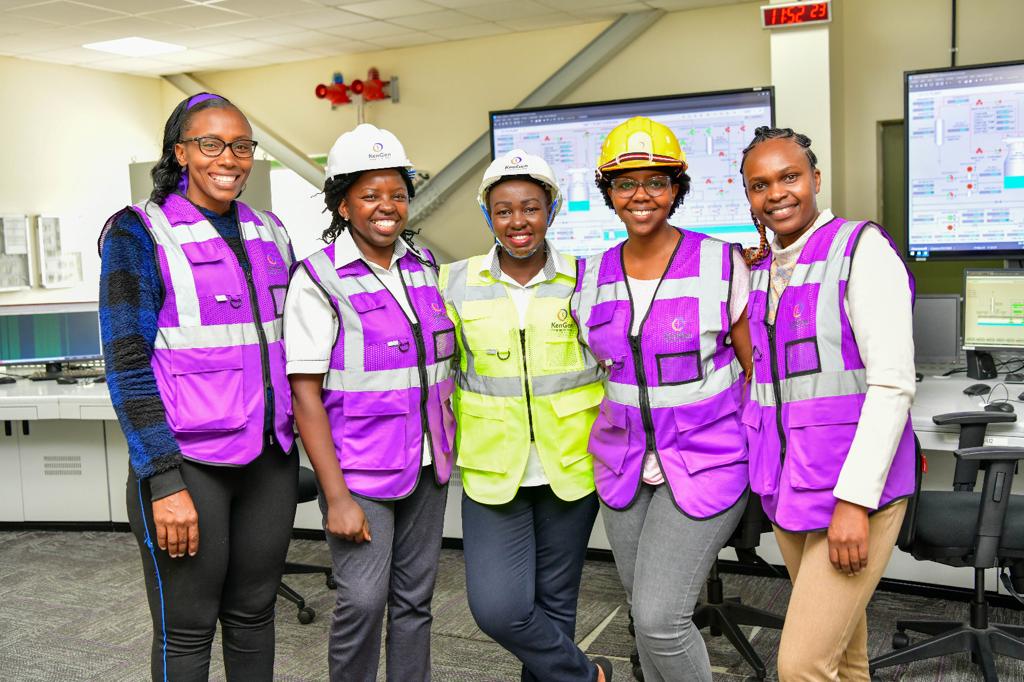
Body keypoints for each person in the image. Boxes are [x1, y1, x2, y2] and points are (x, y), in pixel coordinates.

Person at [98, 92, 297, 681]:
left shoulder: (271, 231)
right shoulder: (139, 232)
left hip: (268, 462)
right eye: (211, 144)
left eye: (241, 145)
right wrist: (162, 481)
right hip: (188, 468)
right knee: (186, 631)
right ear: (181, 152)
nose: (228, 158)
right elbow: (128, 362)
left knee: (255, 615)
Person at [571, 116, 752, 682]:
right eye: (625, 184)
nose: (640, 195)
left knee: (658, 619)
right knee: (640, 611)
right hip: (622, 465)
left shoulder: (723, 264)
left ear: (677, 188)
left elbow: (757, 372)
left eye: (656, 181)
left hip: (707, 459)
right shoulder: (590, 276)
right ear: (609, 193)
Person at [737, 126, 916, 681]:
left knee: (801, 665)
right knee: (844, 659)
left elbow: (892, 385)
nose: (777, 193)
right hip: (792, 484)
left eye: (789, 176)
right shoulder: (762, 272)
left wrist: (854, 503)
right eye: (759, 184)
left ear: (815, 179)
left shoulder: (861, 250)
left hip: (855, 492)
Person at [283, 123, 455, 682]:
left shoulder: (423, 266)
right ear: (342, 202)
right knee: (361, 602)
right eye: (370, 195)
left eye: (398, 194)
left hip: (429, 464)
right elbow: (305, 394)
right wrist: (335, 496)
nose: (388, 207)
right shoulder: (318, 279)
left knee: (414, 601)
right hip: (360, 471)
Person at [438, 150, 612, 682]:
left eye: (531, 207)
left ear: (552, 210)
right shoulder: (452, 281)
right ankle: (590, 678)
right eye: (505, 210)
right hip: (494, 470)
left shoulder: (588, 278)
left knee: (556, 605)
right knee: (499, 608)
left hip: (572, 464)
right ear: (488, 215)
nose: (519, 221)